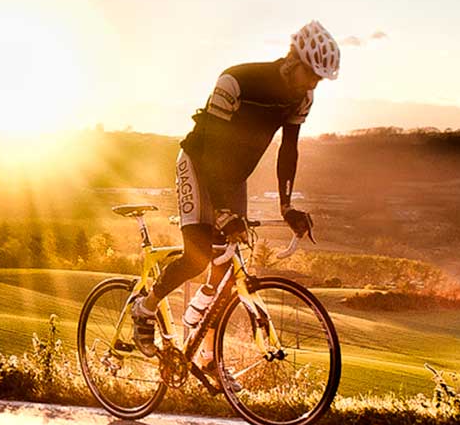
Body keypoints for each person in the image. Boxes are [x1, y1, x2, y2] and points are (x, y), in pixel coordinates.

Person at [130, 21, 341, 358]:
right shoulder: (237, 81)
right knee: (198, 254)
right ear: (292, 60)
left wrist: (287, 207)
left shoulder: (303, 98)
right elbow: (212, 147)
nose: (314, 83)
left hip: (232, 176)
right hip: (199, 163)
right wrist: (223, 211)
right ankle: (145, 308)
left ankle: (209, 354)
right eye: (311, 74)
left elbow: (289, 150)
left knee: (227, 263)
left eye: (320, 79)